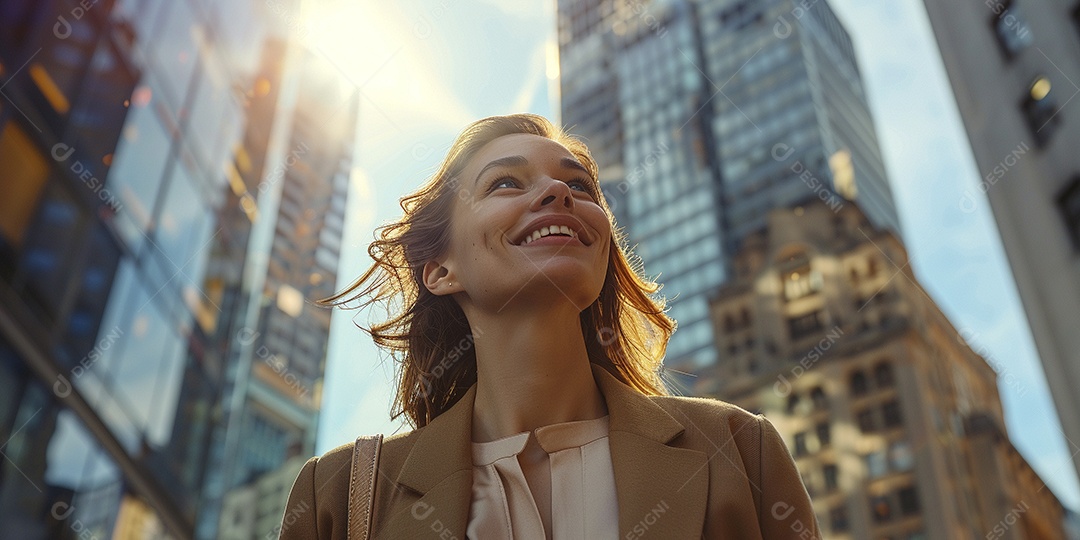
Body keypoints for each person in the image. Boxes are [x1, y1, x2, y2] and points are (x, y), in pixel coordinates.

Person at [280, 114, 820, 539]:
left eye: (579, 186)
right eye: (505, 182)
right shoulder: (340, 495)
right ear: (441, 271)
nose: (559, 193)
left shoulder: (739, 449)